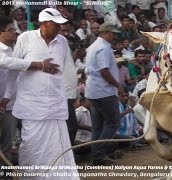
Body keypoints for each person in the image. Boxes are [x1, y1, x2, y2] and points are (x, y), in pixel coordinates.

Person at [1, 8, 79, 179]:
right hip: (31, 105)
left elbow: (67, 70)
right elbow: (14, 69)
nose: (59, 28)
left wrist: (72, 95)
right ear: (44, 24)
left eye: (61, 25)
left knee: (57, 146)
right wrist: (7, 96)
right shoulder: (25, 38)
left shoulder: (62, 42)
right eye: (55, 25)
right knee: (31, 145)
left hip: (55, 104)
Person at [0, 16, 59, 167]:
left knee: (16, 141)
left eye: (14, 29)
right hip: (5, 104)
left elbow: (15, 75)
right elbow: (8, 63)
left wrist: (7, 96)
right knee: (6, 143)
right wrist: (39, 64)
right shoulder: (3, 52)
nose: (15, 33)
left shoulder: (17, 47)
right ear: (1, 33)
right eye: (10, 30)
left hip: (16, 102)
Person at [85, 22, 122, 165]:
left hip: (94, 90)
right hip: (104, 91)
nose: (114, 36)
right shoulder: (103, 48)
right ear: (105, 33)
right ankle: (98, 153)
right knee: (113, 122)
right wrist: (118, 85)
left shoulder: (95, 46)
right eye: (113, 33)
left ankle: (98, 154)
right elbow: (104, 71)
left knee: (98, 126)